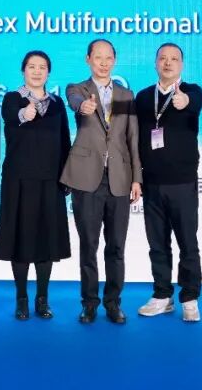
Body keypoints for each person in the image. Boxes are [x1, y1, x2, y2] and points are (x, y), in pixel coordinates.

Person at [62, 38, 141, 324]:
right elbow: (75, 103)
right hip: (86, 179)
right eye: (98, 57)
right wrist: (83, 106)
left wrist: (137, 179)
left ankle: (113, 302)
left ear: (114, 61)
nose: (104, 63)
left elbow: (132, 138)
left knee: (116, 246)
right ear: (88, 59)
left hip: (119, 178)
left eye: (109, 58)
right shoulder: (77, 89)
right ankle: (89, 303)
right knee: (89, 245)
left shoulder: (125, 95)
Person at [0, 51, 72, 321]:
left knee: (46, 240)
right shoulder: (12, 99)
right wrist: (24, 114)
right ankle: (22, 299)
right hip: (20, 180)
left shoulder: (57, 104)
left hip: (51, 180)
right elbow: (10, 118)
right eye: (32, 66)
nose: (37, 71)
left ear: (48, 72)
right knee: (21, 239)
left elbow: (64, 141)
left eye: (42, 67)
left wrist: (67, 176)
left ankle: (42, 298)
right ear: (23, 70)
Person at [134, 42, 202, 322]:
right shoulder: (143, 97)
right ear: (155, 63)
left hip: (182, 183)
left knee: (188, 243)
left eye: (174, 59)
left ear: (181, 64)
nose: (168, 63)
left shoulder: (192, 91)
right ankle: (162, 295)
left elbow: (193, 103)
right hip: (152, 182)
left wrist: (184, 101)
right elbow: (135, 138)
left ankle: (190, 297)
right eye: (163, 58)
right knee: (157, 243)